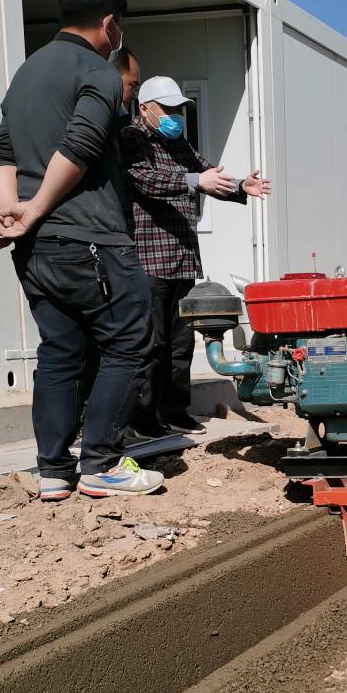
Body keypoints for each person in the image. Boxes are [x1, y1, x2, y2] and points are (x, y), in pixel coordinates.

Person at [0, 0, 162, 501]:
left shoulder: (26, 73)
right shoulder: (99, 71)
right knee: (129, 341)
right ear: (110, 23)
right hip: (90, 238)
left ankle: (54, 471)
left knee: (60, 351)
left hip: (36, 248)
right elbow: (83, 144)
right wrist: (36, 208)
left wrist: (12, 212)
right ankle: (102, 464)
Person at [119, 76, 272, 437]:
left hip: (182, 257)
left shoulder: (177, 142)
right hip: (149, 259)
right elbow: (144, 180)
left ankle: (175, 409)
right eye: (168, 109)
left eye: (179, 109)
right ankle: (144, 416)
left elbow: (207, 175)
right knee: (151, 343)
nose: (176, 116)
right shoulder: (132, 140)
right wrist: (193, 181)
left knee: (180, 341)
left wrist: (238, 187)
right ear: (145, 109)